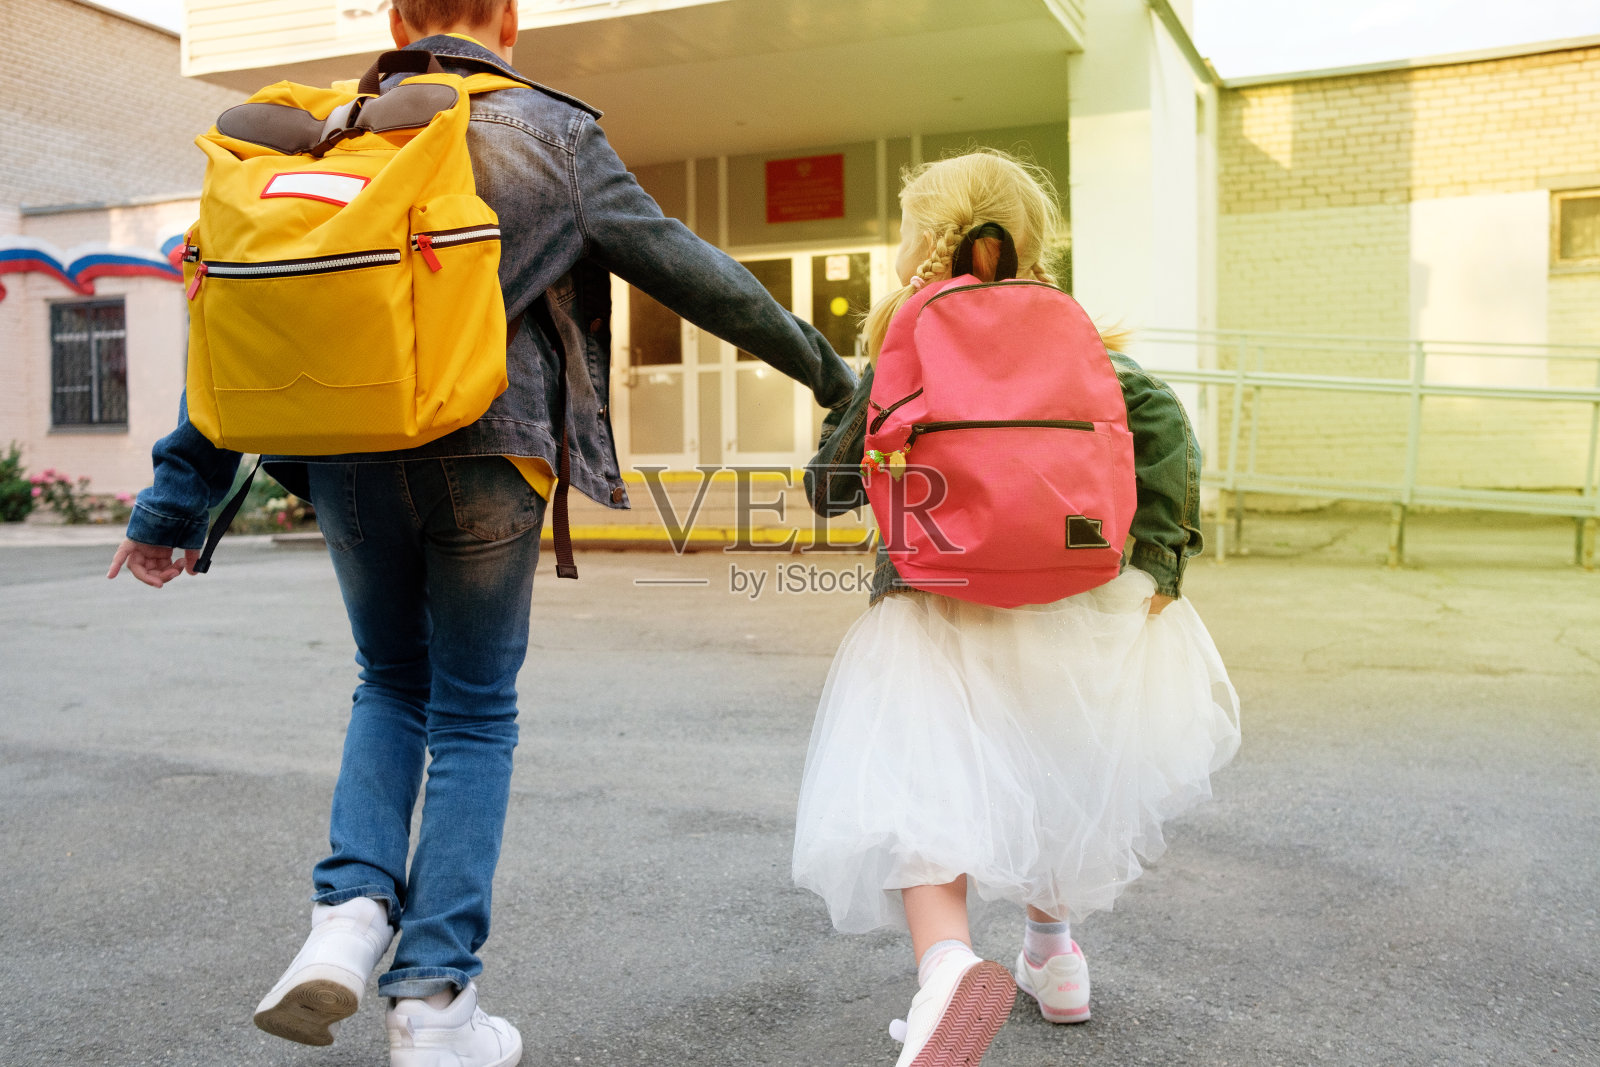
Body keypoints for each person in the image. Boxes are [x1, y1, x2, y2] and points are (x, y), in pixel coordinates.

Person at [107, 2, 854, 1065]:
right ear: (505, 16)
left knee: (389, 682)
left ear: (402, 16)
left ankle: (347, 916)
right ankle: (434, 997)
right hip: (489, 455)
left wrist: (174, 504)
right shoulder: (547, 131)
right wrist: (831, 375)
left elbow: (235, 326)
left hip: (352, 455)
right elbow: (689, 269)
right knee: (470, 713)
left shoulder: (332, 135)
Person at [793, 150, 1241, 1067]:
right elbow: (1163, 430)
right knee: (1049, 769)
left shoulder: (911, 342)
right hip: (1070, 596)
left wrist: (863, 414)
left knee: (930, 784)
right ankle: (1054, 954)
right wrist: (1155, 566)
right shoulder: (1080, 338)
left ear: (922, 242)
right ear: (1036, 240)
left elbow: (829, 487)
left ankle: (948, 965)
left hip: (938, 605)